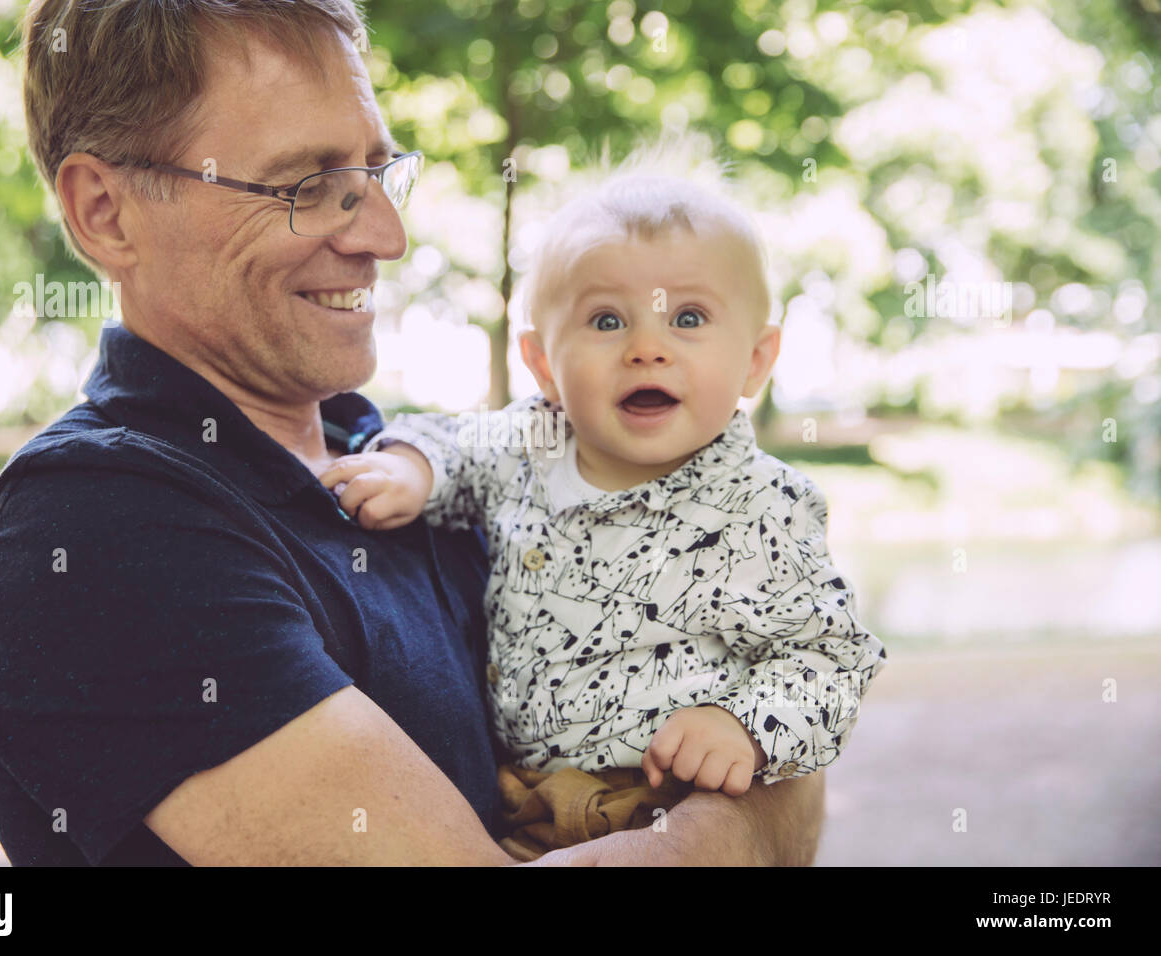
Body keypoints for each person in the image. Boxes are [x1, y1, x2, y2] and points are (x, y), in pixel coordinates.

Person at [0, 0, 826, 865]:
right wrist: (725, 832)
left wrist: (749, 758)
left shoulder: (410, 461)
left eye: (379, 171)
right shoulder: (92, 526)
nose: (388, 235)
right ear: (106, 211)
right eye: (306, 185)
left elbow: (775, 671)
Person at [318, 147, 887, 860]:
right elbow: (456, 441)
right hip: (526, 801)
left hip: (668, 799)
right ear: (544, 364)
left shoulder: (762, 505)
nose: (648, 348)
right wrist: (415, 468)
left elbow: (830, 657)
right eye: (608, 322)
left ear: (755, 360)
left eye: (688, 317)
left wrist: (742, 725)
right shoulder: (530, 443)